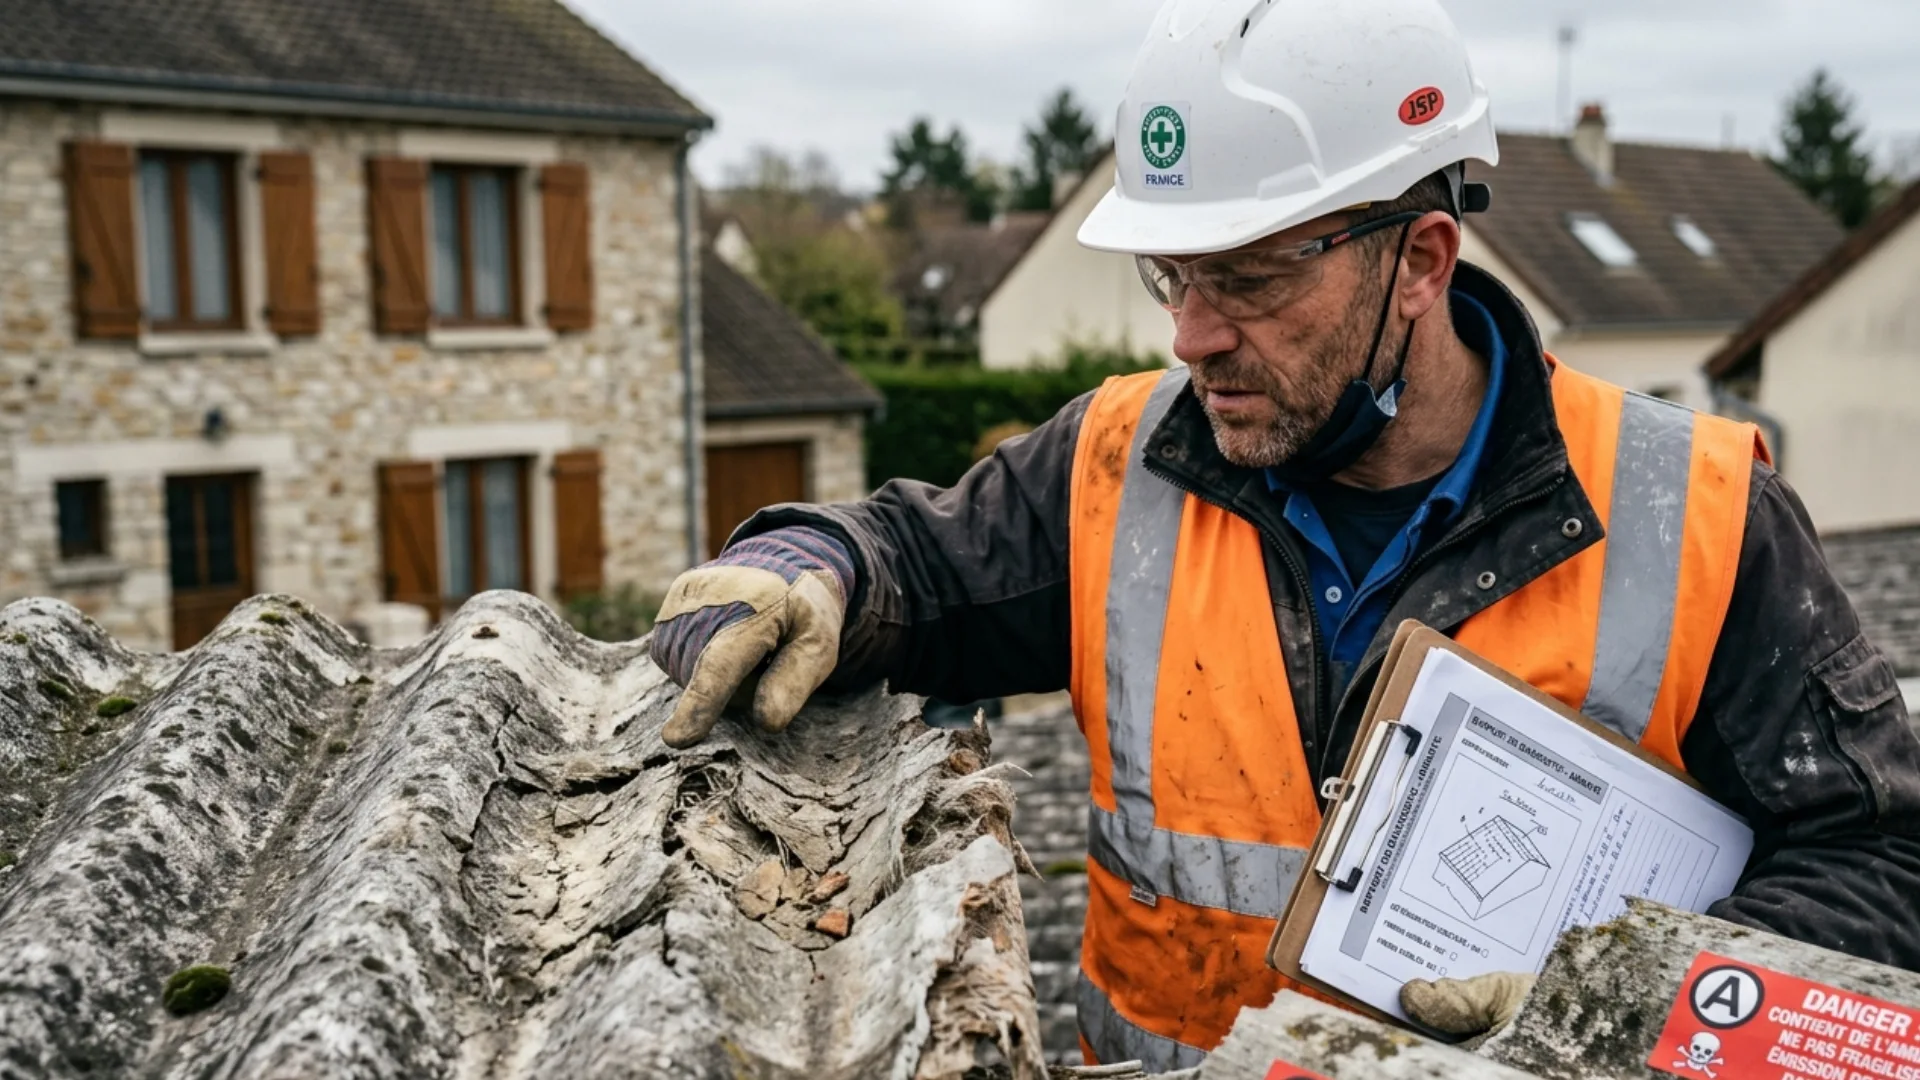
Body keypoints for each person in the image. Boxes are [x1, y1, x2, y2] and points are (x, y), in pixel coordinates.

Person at [648, 0, 1920, 1071]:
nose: (1192, 336)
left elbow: (1882, 862)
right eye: (1173, 275)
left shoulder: (1694, 513)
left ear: (1420, 262)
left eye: (1250, 280)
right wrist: (804, 568)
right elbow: (916, 560)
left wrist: (1619, 1006)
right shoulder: (1117, 462)